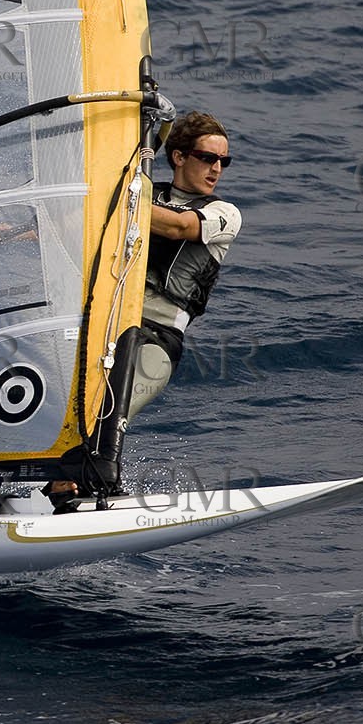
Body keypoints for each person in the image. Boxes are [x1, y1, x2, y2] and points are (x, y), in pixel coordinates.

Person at [42, 111, 241, 510]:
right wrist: (13, 230)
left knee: (110, 408)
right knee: (44, 398)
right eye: (207, 157)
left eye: (224, 161)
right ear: (179, 157)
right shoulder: (137, 192)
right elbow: (68, 223)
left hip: (157, 335)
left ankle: (80, 480)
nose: (216, 168)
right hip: (102, 321)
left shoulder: (225, 213)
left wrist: (113, 200)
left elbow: (179, 228)